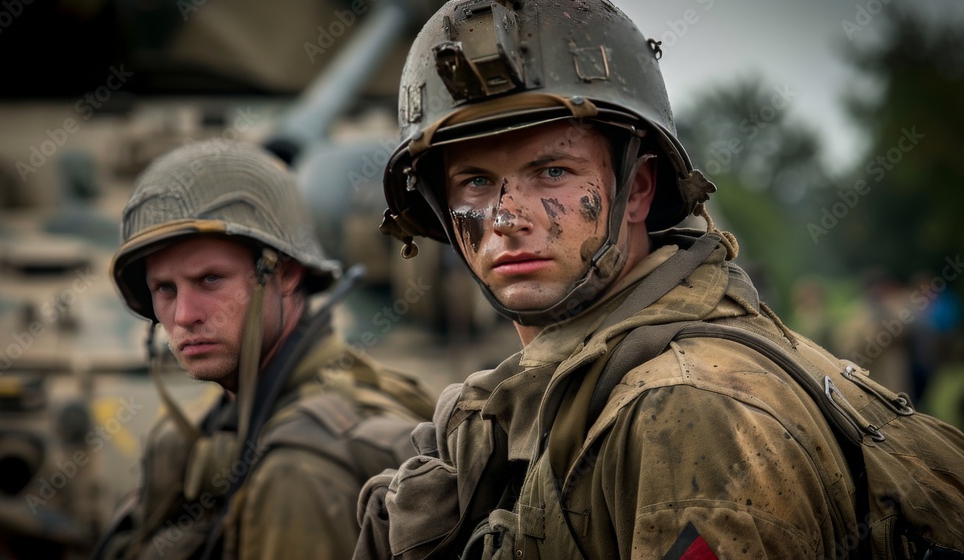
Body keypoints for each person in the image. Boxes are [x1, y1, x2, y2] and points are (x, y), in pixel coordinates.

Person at [354, 1, 868, 558]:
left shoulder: (688, 413)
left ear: (638, 188)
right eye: (475, 182)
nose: (506, 217)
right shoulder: (522, 401)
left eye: (552, 171)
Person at [92, 139, 434, 560]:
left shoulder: (301, 468)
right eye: (165, 288)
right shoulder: (230, 421)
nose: (184, 315)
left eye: (210, 279)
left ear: (286, 274)